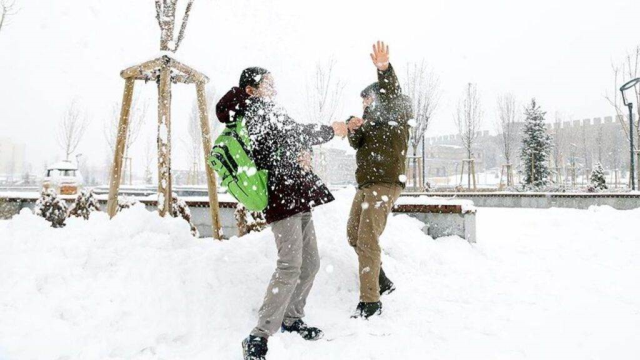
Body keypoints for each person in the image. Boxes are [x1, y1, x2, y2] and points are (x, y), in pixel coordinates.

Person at [216, 67, 349, 360]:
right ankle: (258, 336)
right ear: (252, 89)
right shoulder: (254, 111)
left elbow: (291, 141)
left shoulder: (269, 110)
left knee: (311, 262)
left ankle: (292, 318)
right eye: (268, 84)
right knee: (290, 265)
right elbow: (293, 133)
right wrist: (331, 130)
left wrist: (306, 156)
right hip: (281, 196)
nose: (274, 89)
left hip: (297, 194)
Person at [346, 41, 413, 319]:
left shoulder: (396, 112)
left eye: (368, 100)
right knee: (353, 235)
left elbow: (391, 91)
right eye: (363, 101)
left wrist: (383, 69)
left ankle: (370, 302)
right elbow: (356, 143)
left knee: (367, 240)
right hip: (366, 185)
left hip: (384, 184)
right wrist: (353, 127)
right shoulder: (370, 123)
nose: (365, 104)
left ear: (380, 97)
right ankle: (381, 279)